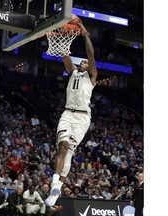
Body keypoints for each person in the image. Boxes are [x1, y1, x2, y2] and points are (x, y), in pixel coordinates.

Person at [45, 19, 98, 207]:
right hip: (68, 114)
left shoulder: (91, 77)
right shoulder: (72, 72)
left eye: (85, 62)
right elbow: (65, 55)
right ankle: (54, 184)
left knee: (68, 154)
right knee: (63, 146)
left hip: (82, 118)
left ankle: (56, 191)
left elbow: (91, 55)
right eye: (81, 61)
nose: (83, 62)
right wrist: (60, 33)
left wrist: (84, 32)